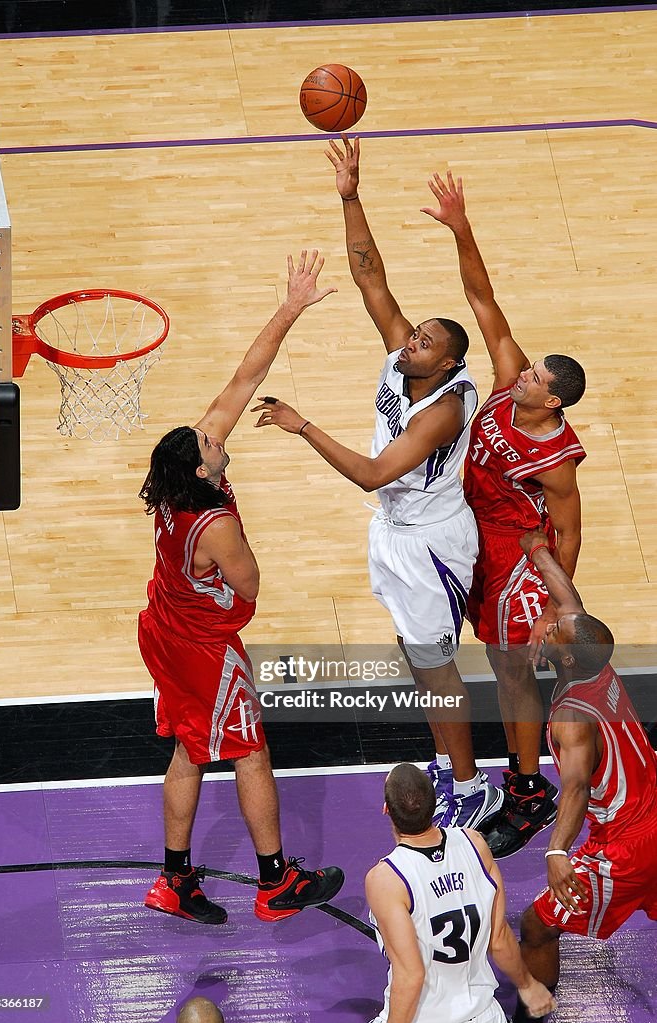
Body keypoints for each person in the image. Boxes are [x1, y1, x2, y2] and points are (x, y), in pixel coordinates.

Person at [252, 136, 503, 832]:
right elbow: (371, 280)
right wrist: (350, 196)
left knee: (436, 672)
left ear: (448, 363)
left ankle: (469, 784)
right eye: (414, 334)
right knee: (422, 666)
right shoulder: (404, 360)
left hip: (429, 543)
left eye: (424, 341)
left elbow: (368, 474)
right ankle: (452, 764)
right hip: (396, 531)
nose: (409, 340)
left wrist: (302, 425)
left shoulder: (444, 408)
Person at [138, 250, 344, 925]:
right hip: (202, 645)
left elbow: (244, 375)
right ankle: (274, 883)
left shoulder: (177, 479)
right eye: (209, 446)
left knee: (190, 749)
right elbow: (249, 586)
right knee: (249, 751)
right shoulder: (215, 522)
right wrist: (229, 601)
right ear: (201, 472)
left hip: (163, 628)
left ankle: (173, 880)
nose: (216, 437)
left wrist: (291, 306)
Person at [422, 171, 588, 857]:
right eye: (525, 372)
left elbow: (569, 531)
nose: (520, 375)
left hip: (518, 560)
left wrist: (556, 607)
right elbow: (481, 300)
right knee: (498, 665)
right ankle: (525, 776)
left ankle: (528, 787)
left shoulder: (554, 458)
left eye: (533, 380)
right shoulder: (507, 378)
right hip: (473, 540)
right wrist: (461, 228)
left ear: (551, 402)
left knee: (511, 666)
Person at [511, 530, 657, 1023]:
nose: (546, 627)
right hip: (652, 811)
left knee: (535, 925)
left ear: (566, 657)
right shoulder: (597, 662)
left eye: (554, 633)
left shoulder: (573, 717)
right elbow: (570, 603)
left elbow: (573, 788)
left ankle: (534, 1015)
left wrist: (556, 851)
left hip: (628, 845)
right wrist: (536, 549)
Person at [365, 762, 556, 1023]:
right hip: (485, 1016)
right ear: (435, 805)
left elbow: (411, 976)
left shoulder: (386, 879)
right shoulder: (475, 844)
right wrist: (527, 985)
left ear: (387, 809)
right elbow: (498, 939)